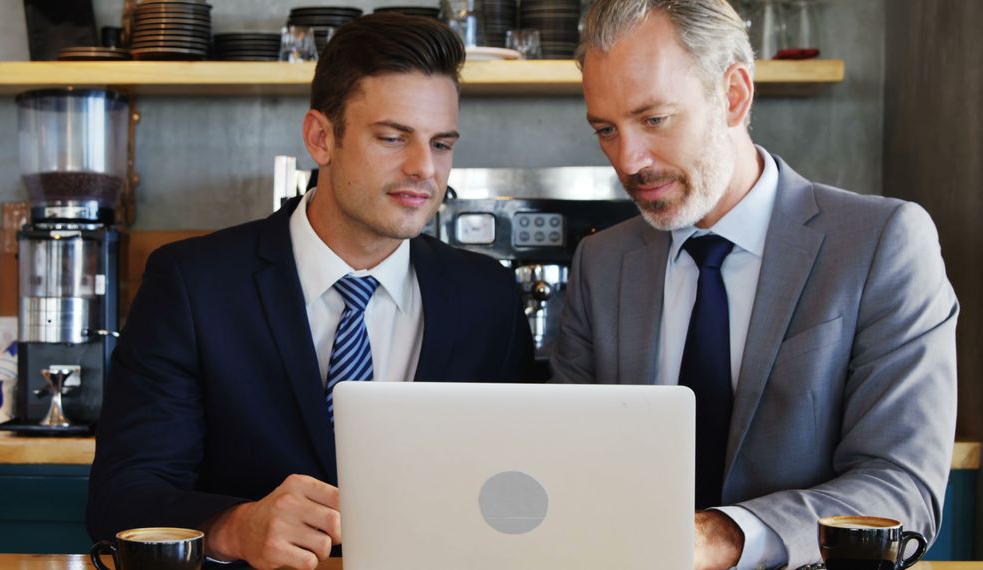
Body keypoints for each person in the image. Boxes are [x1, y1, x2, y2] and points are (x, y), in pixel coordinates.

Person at [86, 13, 535, 570]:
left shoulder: (489, 299)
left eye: (441, 143)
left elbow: (517, 489)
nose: (425, 169)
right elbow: (121, 498)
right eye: (393, 138)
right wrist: (236, 527)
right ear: (321, 138)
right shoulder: (192, 283)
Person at [552, 1, 958, 569]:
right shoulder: (601, 261)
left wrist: (722, 537)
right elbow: (564, 460)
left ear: (734, 96)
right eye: (605, 129)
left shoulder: (881, 242)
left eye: (654, 119)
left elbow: (900, 488)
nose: (629, 160)